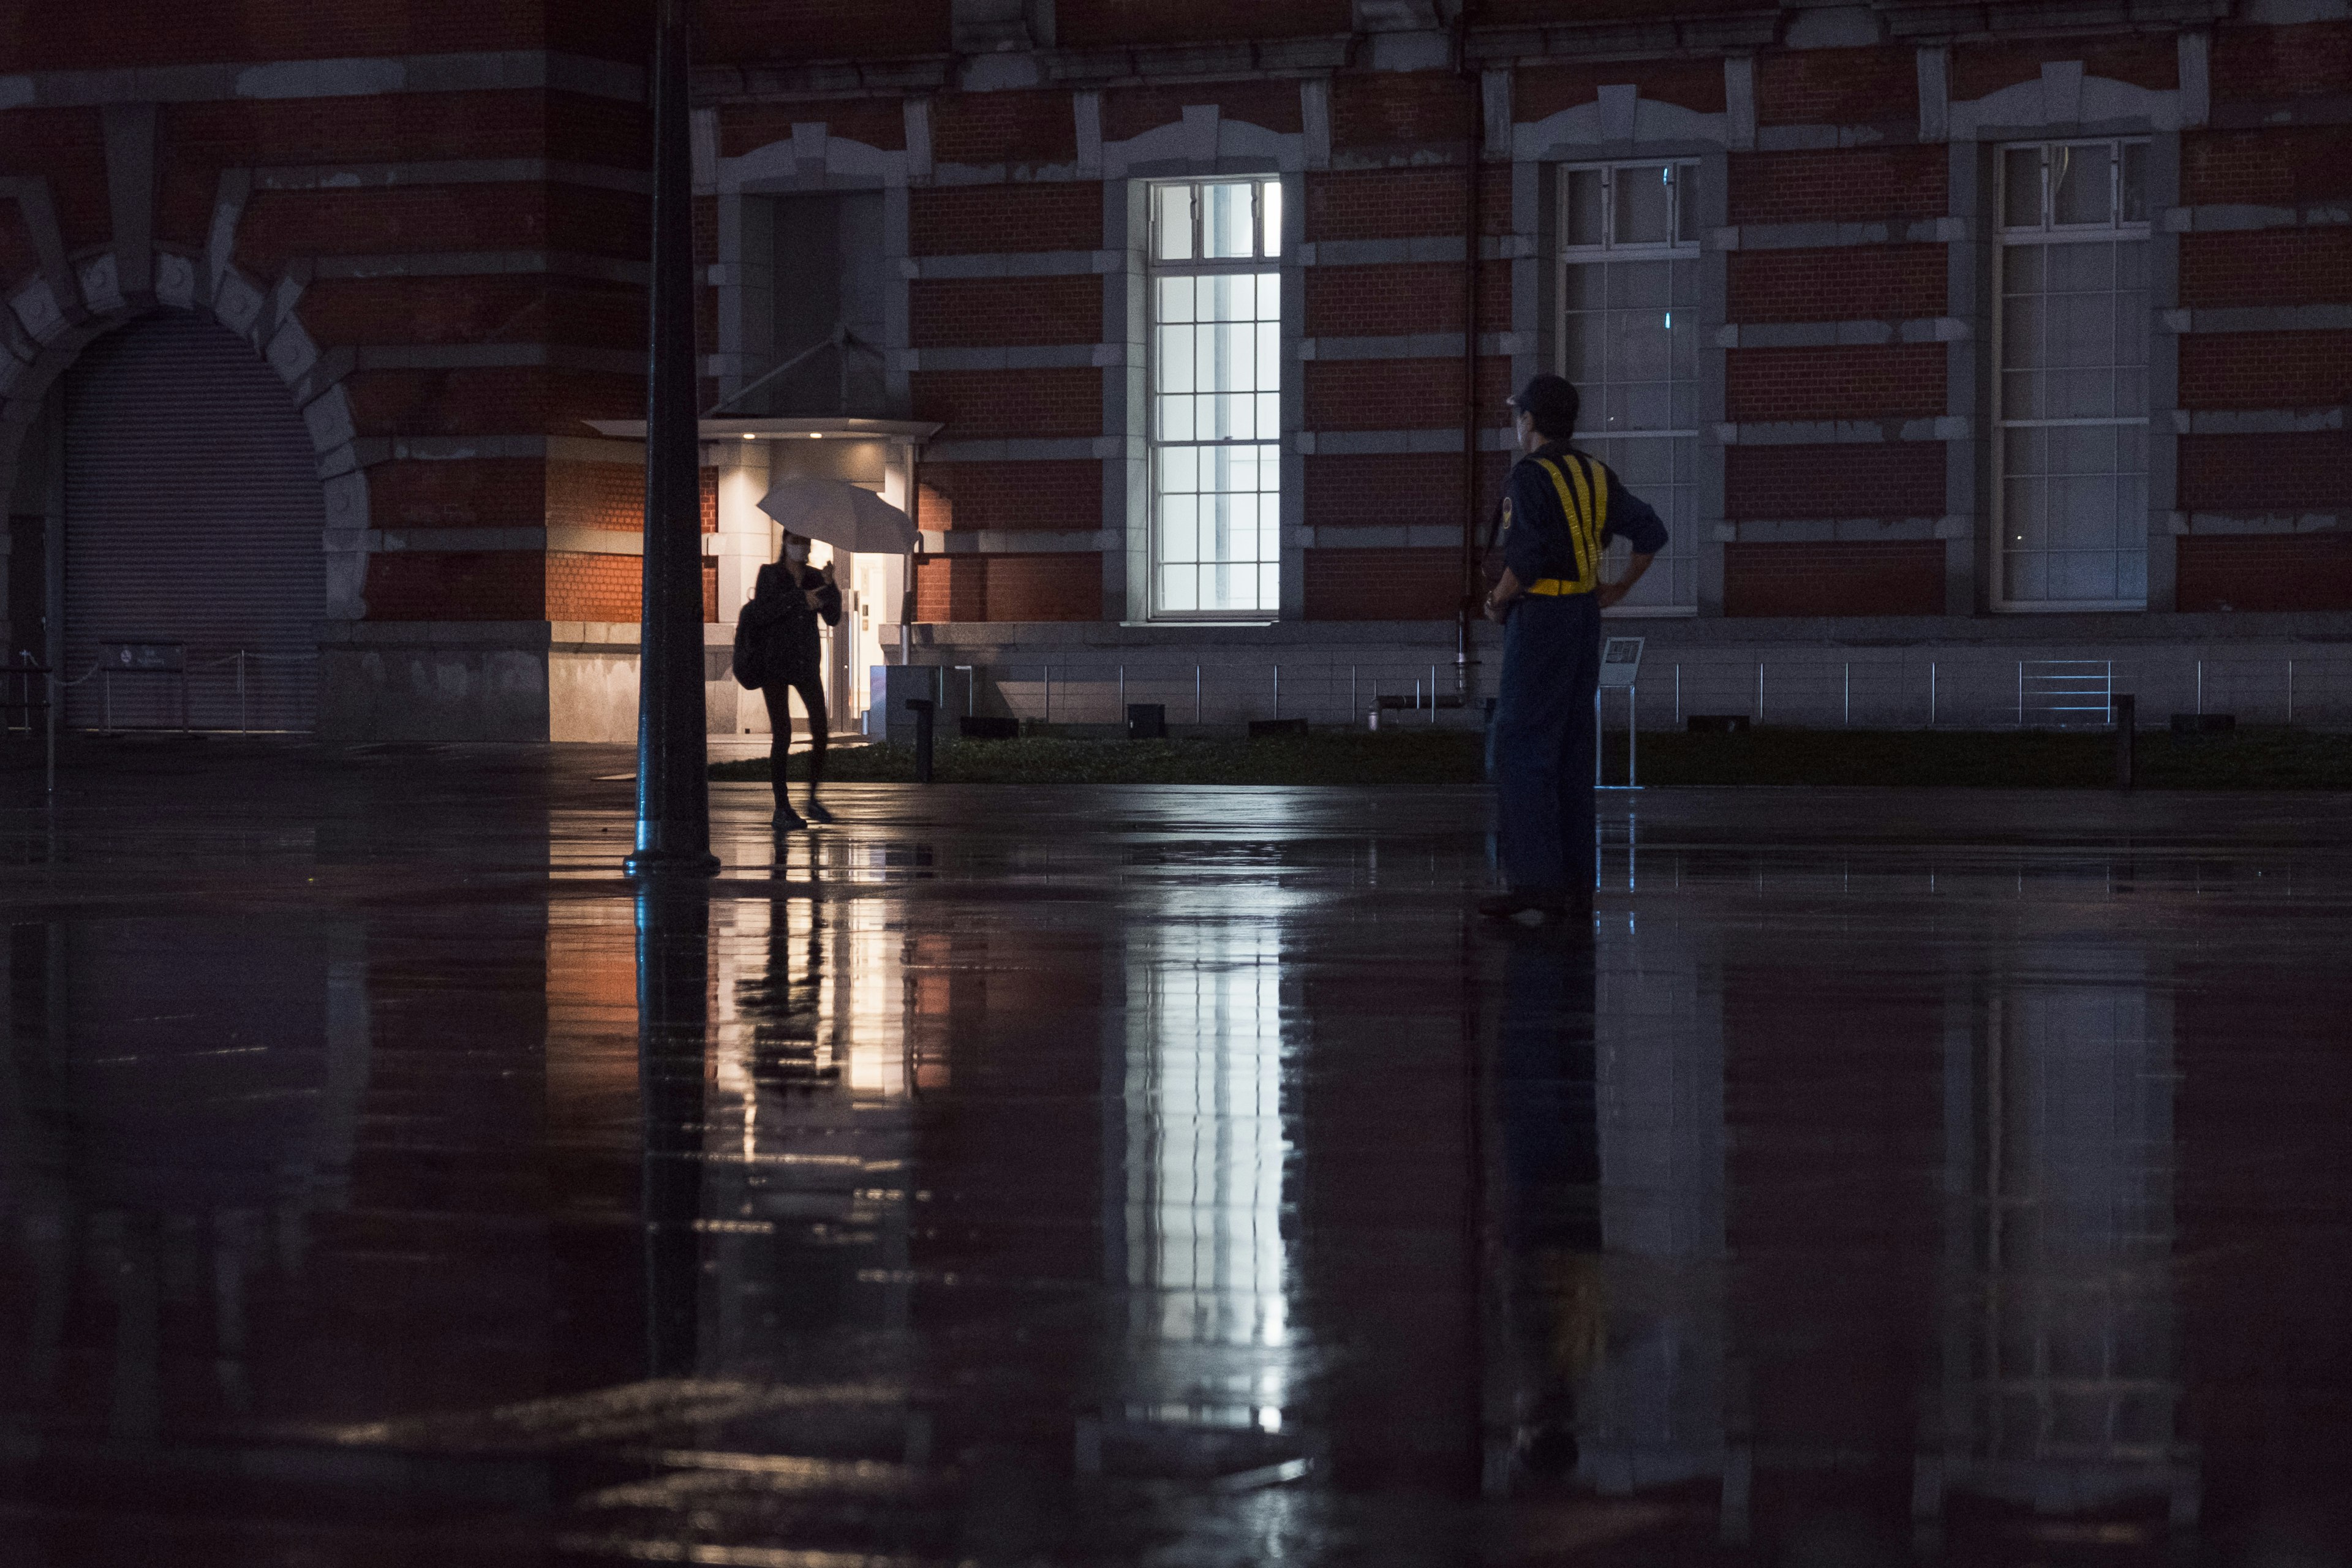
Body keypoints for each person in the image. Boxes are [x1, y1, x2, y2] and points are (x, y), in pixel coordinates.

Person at [1480, 373, 1668, 925]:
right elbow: (1651, 532)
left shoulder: (1530, 476)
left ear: (1531, 421)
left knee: (1519, 748)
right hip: (1584, 617)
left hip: (1538, 617)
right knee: (1570, 750)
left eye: (1520, 415)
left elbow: (1529, 555)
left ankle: (1535, 885)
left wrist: (1496, 600)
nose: (1518, 424)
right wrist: (1618, 588)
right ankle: (1574, 884)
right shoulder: (1595, 474)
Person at [741, 532, 842, 829]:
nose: (803, 548)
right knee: (782, 733)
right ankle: (782, 807)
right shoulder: (770, 575)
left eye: (807, 543)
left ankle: (812, 797)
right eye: (797, 542)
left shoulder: (814, 577)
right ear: (785, 544)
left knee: (821, 728)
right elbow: (762, 612)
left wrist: (830, 584)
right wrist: (800, 598)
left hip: (805, 663)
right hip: (774, 663)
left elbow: (834, 617)